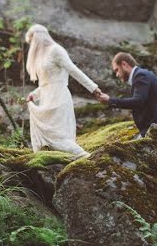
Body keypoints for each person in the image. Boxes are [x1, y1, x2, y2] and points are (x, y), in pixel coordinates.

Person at [25, 24, 102, 157]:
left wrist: (93, 87)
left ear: (38, 37)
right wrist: (34, 94)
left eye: (32, 40)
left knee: (59, 136)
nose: (32, 45)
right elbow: (46, 83)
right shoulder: (41, 57)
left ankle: (86, 158)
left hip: (59, 98)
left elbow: (73, 70)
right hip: (46, 99)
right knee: (48, 139)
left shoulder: (56, 50)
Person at [95, 52, 157, 137]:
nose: (117, 74)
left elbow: (138, 101)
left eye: (117, 70)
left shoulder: (141, 76)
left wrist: (110, 100)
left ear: (124, 64)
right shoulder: (140, 76)